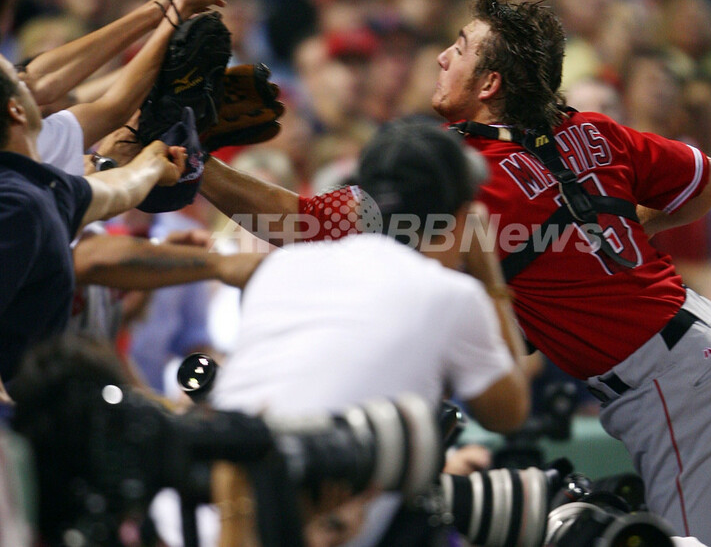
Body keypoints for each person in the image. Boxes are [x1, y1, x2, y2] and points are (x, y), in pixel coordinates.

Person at [201, 0, 711, 546]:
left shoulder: (467, 172)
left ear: (489, 83)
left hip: (678, 387)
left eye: (458, 49)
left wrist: (194, 164)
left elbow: (301, 222)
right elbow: (708, 179)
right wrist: (632, 230)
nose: (440, 57)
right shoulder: (590, 129)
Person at [211, 121, 530, 546]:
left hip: (202, 512)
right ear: (458, 214)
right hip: (296, 531)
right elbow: (509, 414)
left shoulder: (284, 265)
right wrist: (488, 274)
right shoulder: (453, 296)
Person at [0, 54, 185, 384]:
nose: (30, 82)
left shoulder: (42, 187)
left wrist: (153, 162)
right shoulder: (15, 203)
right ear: (15, 109)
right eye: (18, 82)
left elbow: (116, 190)